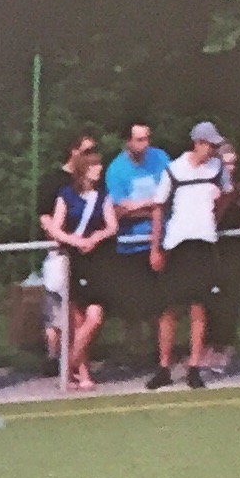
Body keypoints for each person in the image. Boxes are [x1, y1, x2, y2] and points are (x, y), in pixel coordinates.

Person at [149, 122, 231, 390]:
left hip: (204, 243)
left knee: (199, 307)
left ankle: (194, 368)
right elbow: (158, 208)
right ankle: (164, 368)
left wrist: (213, 219)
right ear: (197, 143)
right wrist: (156, 247)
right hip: (177, 244)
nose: (214, 150)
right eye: (210, 145)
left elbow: (226, 195)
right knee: (169, 309)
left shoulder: (218, 169)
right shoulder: (174, 169)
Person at [103, 123, 175, 384]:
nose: (144, 145)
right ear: (128, 141)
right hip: (131, 245)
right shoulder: (116, 170)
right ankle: (133, 354)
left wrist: (144, 207)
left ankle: (162, 358)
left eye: (147, 139)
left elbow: (169, 198)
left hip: (160, 241)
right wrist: (152, 206)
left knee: (163, 304)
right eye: (139, 140)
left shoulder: (161, 158)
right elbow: (119, 210)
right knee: (132, 306)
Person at [45, 149, 119, 391]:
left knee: (94, 317)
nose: (99, 169)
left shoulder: (102, 196)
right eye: (94, 165)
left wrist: (97, 237)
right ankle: (82, 371)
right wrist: (75, 241)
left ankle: (69, 364)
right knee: (77, 320)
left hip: (97, 263)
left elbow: (112, 226)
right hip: (74, 260)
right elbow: (56, 228)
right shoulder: (66, 195)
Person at [209, 139, 240, 373]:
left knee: (229, 298)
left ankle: (226, 347)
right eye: (226, 163)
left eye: (233, 163)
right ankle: (209, 346)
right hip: (212, 248)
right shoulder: (211, 186)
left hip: (234, 249)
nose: (231, 167)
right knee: (209, 299)